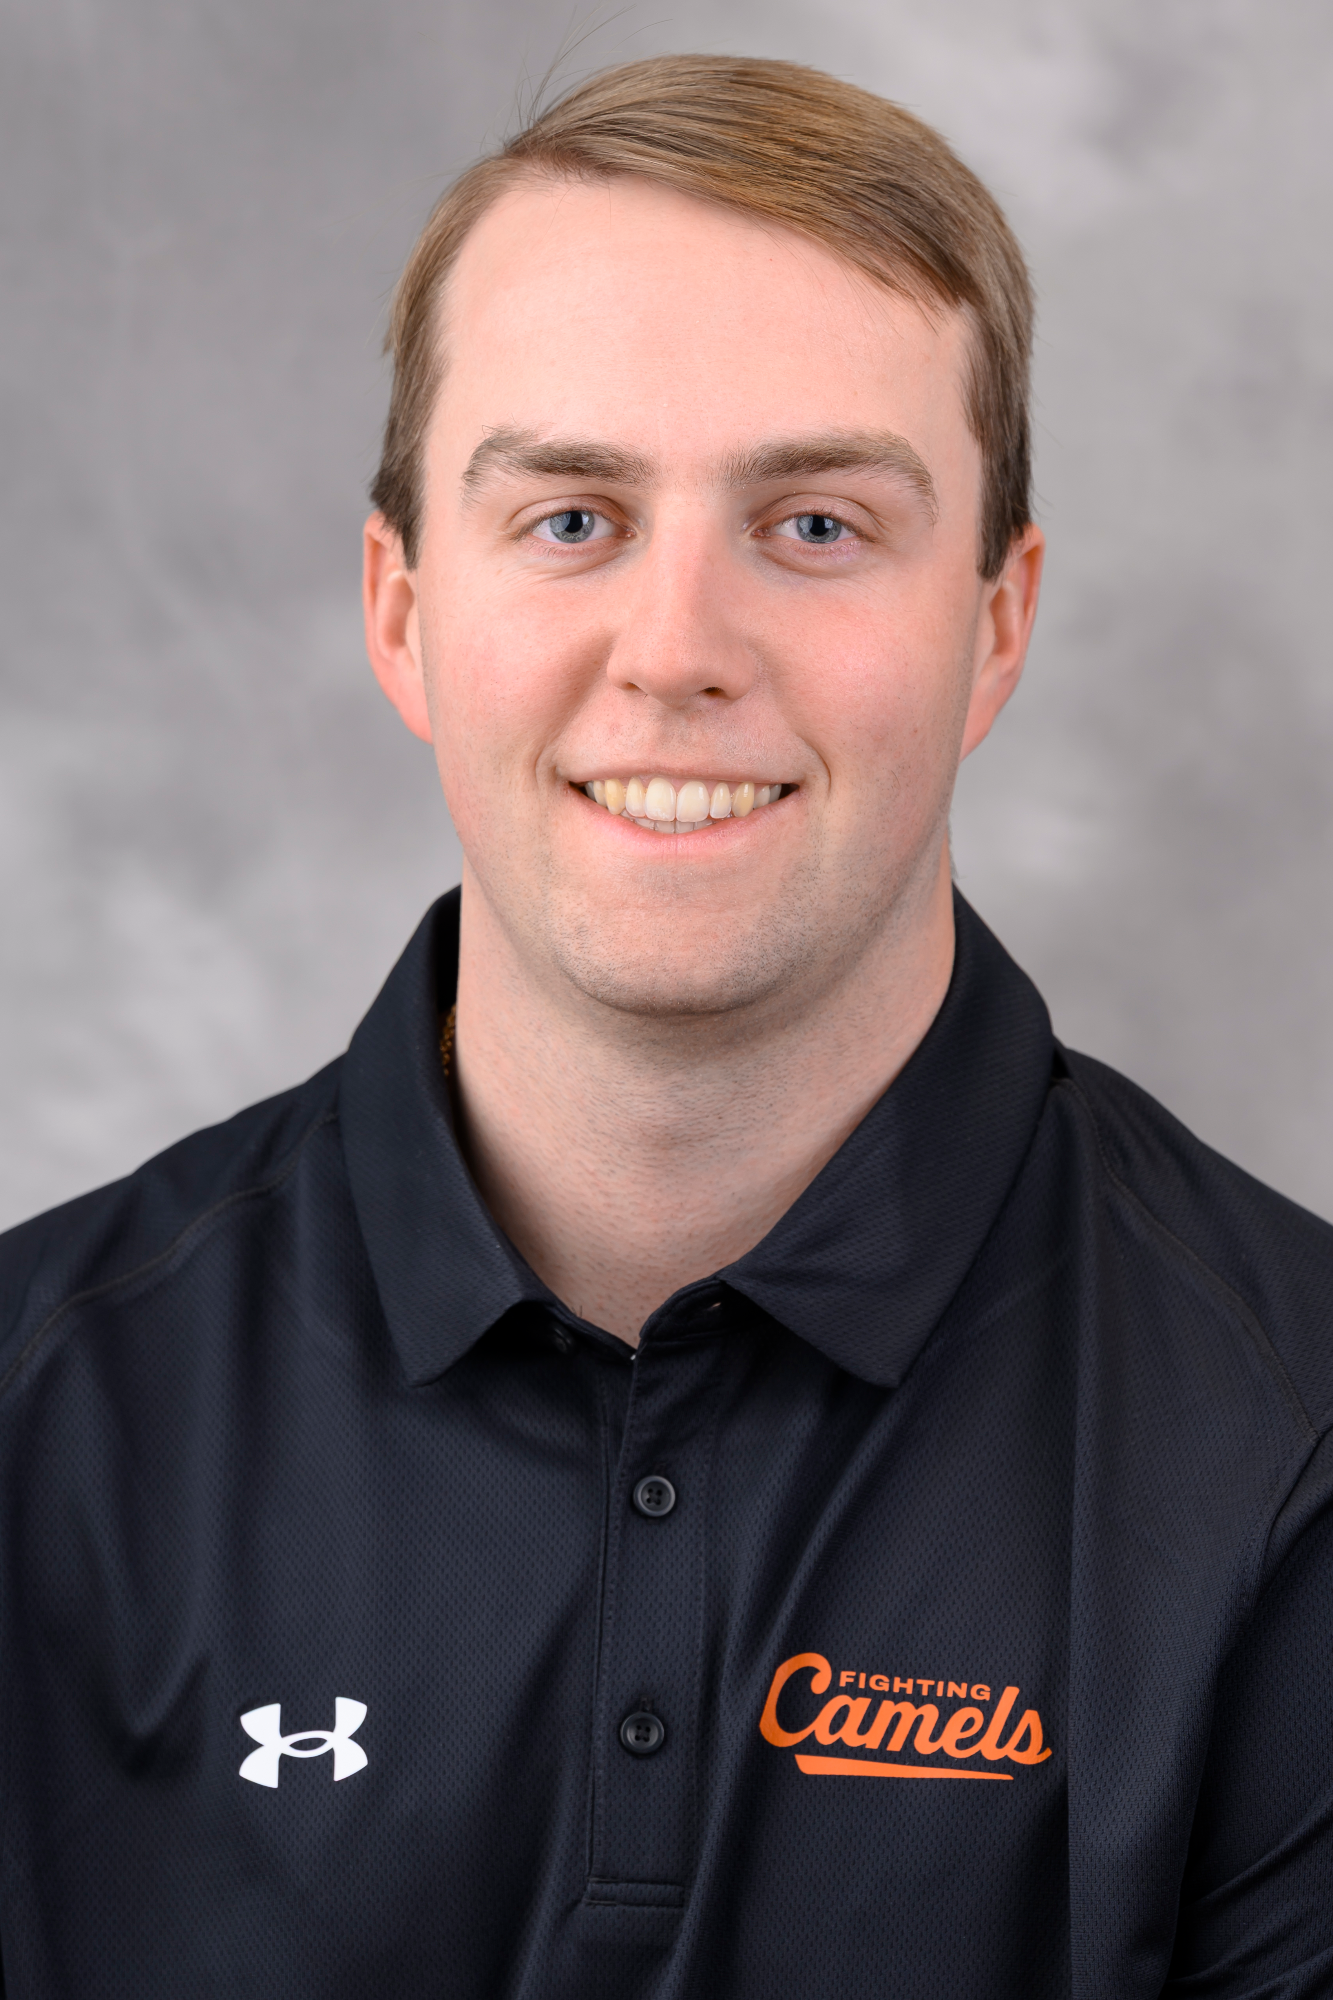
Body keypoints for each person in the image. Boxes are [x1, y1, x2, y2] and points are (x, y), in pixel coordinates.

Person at [2, 53, 1331, 1999]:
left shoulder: (1293, 1457)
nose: (680, 649)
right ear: (401, 611)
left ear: (996, 624)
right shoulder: (39, 1422)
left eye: (817, 526)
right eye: (571, 517)